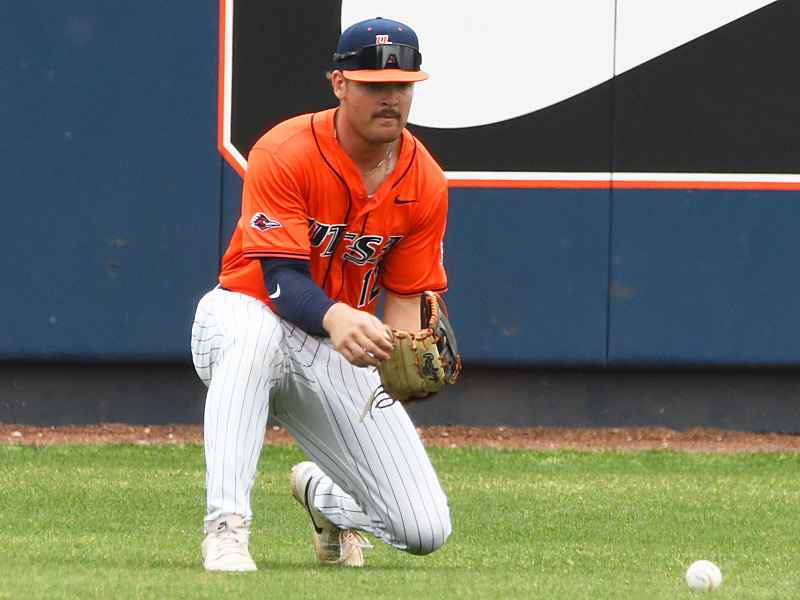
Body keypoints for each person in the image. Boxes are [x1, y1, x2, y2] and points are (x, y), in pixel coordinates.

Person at [191, 16, 452, 571]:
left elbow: (405, 297)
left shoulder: (425, 180)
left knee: (425, 529)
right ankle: (227, 527)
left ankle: (325, 498)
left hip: (334, 347)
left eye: (401, 86)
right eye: (375, 86)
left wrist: (402, 359)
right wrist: (337, 317)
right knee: (254, 333)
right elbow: (280, 281)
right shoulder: (285, 149)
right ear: (340, 84)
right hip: (242, 316)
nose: (391, 98)